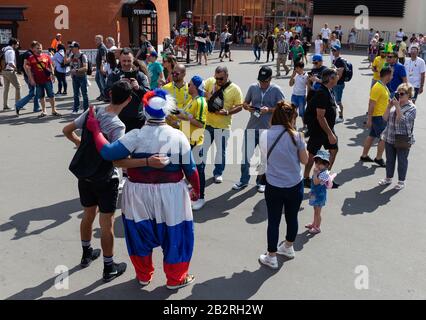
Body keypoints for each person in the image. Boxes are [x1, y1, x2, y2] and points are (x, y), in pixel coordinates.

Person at [86, 88, 200, 290]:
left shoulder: (135, 136)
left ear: (145, 111)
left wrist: (95, 129)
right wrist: (196, 191)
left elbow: (107, 152)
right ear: (166, 112)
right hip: (171, 192)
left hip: (138, 192)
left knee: (139, 234)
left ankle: (143, 275)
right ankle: (175, 278)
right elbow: (191, 171)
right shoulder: (178, 136)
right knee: (176, 235)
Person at [62, 81, 137, 282]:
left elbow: (66, 130)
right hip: (105, 178)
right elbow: (116, 158)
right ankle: (108, 266)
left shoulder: (93, 111)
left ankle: (86, 253)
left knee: (88, 214)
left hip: (84, 174)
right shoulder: (117, 125)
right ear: (129, 100)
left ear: (110, 93)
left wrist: (80, 143)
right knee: (106, 223)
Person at [258, 102, 308, 269]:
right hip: (294, 183)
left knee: (273, 221)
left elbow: (264, 158)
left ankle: (271, 256)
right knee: (292, 217)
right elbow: (305, 160)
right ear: (291, 117)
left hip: (274, 184)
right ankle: (288, 247)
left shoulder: (264, 135)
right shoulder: (297, 136)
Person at [233, 66, 285, 192]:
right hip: (251, 127)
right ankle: (243, 180)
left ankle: (261, 182)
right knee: (245, 156)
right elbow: (245, 103)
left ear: (270, 79)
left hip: (267, 130)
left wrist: (269, 110)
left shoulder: (277, 90)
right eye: (260, 81)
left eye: (265, 81)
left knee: (264, 158)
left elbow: (283, 108)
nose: (262, 83)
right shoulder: (253, 87)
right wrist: (248, 107)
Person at [203, 66, 244, 184]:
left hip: (223, 126)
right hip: (208, 123)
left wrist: (227, 112)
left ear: (227, 75)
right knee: (202, 150)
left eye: (221, 78)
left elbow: (240, 106)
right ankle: (199, 171)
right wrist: (208, 94)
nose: (218, 81)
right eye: (216, 78)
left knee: (221, 152)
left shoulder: (235, 89)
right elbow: (199, 89)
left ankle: (218, 173)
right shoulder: (211, 82)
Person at [175, 76, 207, 210]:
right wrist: (179, 113)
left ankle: (201, 197)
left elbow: (200, 123)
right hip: (187, 140)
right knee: (189, 169)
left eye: (191, 84)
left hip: (195, 141)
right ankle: (193, 191)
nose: (188, 86)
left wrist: (183, 117)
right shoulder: (192, 100)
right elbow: (189, 116)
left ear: (196, 87)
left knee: (198, 170)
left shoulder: (200, 102)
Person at [303, 68, 339, 188]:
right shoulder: (322, 93)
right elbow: (320, 116)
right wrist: (330, 134)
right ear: (331, 79)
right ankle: (306, 178)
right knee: (312, 155)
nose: (338, 77)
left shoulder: (328, 89)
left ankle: (324, 178)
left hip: (327, 128)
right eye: (336, 76)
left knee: (333, 150)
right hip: (319, 130)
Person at [379, 83, 417, 190]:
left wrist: (397, 106)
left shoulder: (412, 108)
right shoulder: (395, 104)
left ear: (409, 95)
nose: (399, 96)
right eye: (398, 93)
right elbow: (385, 118)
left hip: (402, 139)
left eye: (402, 94)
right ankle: (388, 178)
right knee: (390, 160)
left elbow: (402, 120)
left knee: (402, 160)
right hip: (389, 136)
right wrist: (389, 106)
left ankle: (401, 181)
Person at [105, 48, 150, 133]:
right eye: (124, 61)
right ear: (120, 61)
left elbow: (149, 95)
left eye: (129, 61)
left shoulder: (140, 75)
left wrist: (138, 87)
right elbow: (106, 93)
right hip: (118, 117)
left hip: (137, 119)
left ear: (133, 60)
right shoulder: (114, 75)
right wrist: (118, 85)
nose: (126, 63)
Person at [360, 67, 393, 167]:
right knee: (384, 138)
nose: (392, 77)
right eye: (391, 75)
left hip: (381, 116)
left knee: (371, 136)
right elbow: (371, 104)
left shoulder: (383, 86)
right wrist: (369, 119)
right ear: (387, 75)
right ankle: (378, 158)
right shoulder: (378, 87)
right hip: (379, 117)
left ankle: (364, 155)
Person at [26, 41, 60, 118]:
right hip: (38, 81)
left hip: (47, 79)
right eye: (37, 48)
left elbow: (51, 66)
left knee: (51, 95)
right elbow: (29, 70)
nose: (39, 49)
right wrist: (31, 79)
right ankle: (44, 111)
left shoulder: (46, 56)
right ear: (33, 49)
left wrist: (53, 74)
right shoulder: (30, 58)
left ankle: (53, 110)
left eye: (40, 48)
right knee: (41, 96)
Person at [307, 150, 335, 234]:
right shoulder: (319, 171)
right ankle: (313, 224)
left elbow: (316, 182)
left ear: (326, 165)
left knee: (317, 212)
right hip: (314, 193)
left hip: (319, 195)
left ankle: (317, 227)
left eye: (320, 163)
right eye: (316, 163)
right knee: (314, 209)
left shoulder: (324, 174)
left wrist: (315, 173)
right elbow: (314, 184)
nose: (318, 165)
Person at [64, 42, 89, 114]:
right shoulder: (72, 56)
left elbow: (85, 68)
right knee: (75, 94)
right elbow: (65, 62)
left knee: (84, 94)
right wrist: (66, 53)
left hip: (82, 77)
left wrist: (76, 70)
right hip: (75, 77)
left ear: (77, 48)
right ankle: (75, 109)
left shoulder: (82, 56)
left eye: (72, 47)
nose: (71, 49)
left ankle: (86, 110)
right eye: (71, 48)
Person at [163, 64, 191, 128]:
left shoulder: (190, 88)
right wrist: (171, 121)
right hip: (170, 125)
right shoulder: (165, 88)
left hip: (185, 125)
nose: (174, 75)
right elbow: (162, 107)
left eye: (176, 74)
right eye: (173, 73)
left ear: (184, 74)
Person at [15, 45, 40, 114]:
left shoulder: (27, 53)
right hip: (30, 76)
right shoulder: (29, 54)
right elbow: (25, 66)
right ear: (32, 48)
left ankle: (36, 107)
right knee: (33, 93)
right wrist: (30, 77)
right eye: (37, 48)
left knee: (35, 92)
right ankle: (18, 105)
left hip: (29, 76)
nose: (38, 49)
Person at [2, 38, 21, 111]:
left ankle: (5, 105)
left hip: (3, 70)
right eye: (17, 45)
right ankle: (18, 105)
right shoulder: (11, 51)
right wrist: (17, 69)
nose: (18, 46)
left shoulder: (4, 49)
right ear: (13, 44)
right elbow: (10, 62)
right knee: (18, 87)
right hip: (10, 71)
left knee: (6, 88)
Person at [290, 62, 309, 129]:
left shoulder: (306, 76)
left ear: (301, 68)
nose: (296, 70)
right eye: (295, 68)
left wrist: (307, 96)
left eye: (297, 68)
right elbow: (290, 84)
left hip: (301, 96)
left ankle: (304, 125)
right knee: (293, 111)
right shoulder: (295, 75)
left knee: (302, 112)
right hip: (294, 96)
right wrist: (292, 76)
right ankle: (293, 125)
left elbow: (308, 87)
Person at [332, 44, 346, 122]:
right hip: (335, 83)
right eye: (332, 50)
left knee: (338, 101)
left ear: (338, 51)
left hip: (338, 84)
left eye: (334, 50)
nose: (333, 52)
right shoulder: (335, 59)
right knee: (334, 100)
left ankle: (341, 117)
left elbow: (340, 74)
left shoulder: (340, 60)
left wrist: (334, 83)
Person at [95, 35, 108, 101]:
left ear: (101, 40)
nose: (95, 41)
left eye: (97, 39)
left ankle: (105, 95)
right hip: (98, 67)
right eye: (95, 39)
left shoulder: (102, 48)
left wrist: (101, 67)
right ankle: (102, 94)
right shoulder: (99, 47)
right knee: (97, 80)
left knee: (102, 82)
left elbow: (104, 59)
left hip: (101, 68)